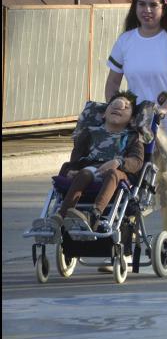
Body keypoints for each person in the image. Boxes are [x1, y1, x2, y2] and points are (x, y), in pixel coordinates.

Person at [104, 0, 167, 270]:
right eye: (142, 4)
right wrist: (118, 111)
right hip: (136, 127)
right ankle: (126, 248)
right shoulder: (127, 40)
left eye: (153, 5)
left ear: (164, 7)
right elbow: (112, 83)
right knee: (129, 188)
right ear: (135, 7)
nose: (147, 10)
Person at [49, 92, 144, 233]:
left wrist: (118, 162)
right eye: (113, 105)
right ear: (104, 114)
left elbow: (137, 161)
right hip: (92, 169)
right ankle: (61, 216)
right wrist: (73, 169)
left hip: (118, 173)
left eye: (126, 107)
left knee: (112, 173)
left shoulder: (132, 138)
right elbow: (77, 155)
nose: (118, 108)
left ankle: (95, 214)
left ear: (131, 119)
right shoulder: (90, 132)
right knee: (84, 173)